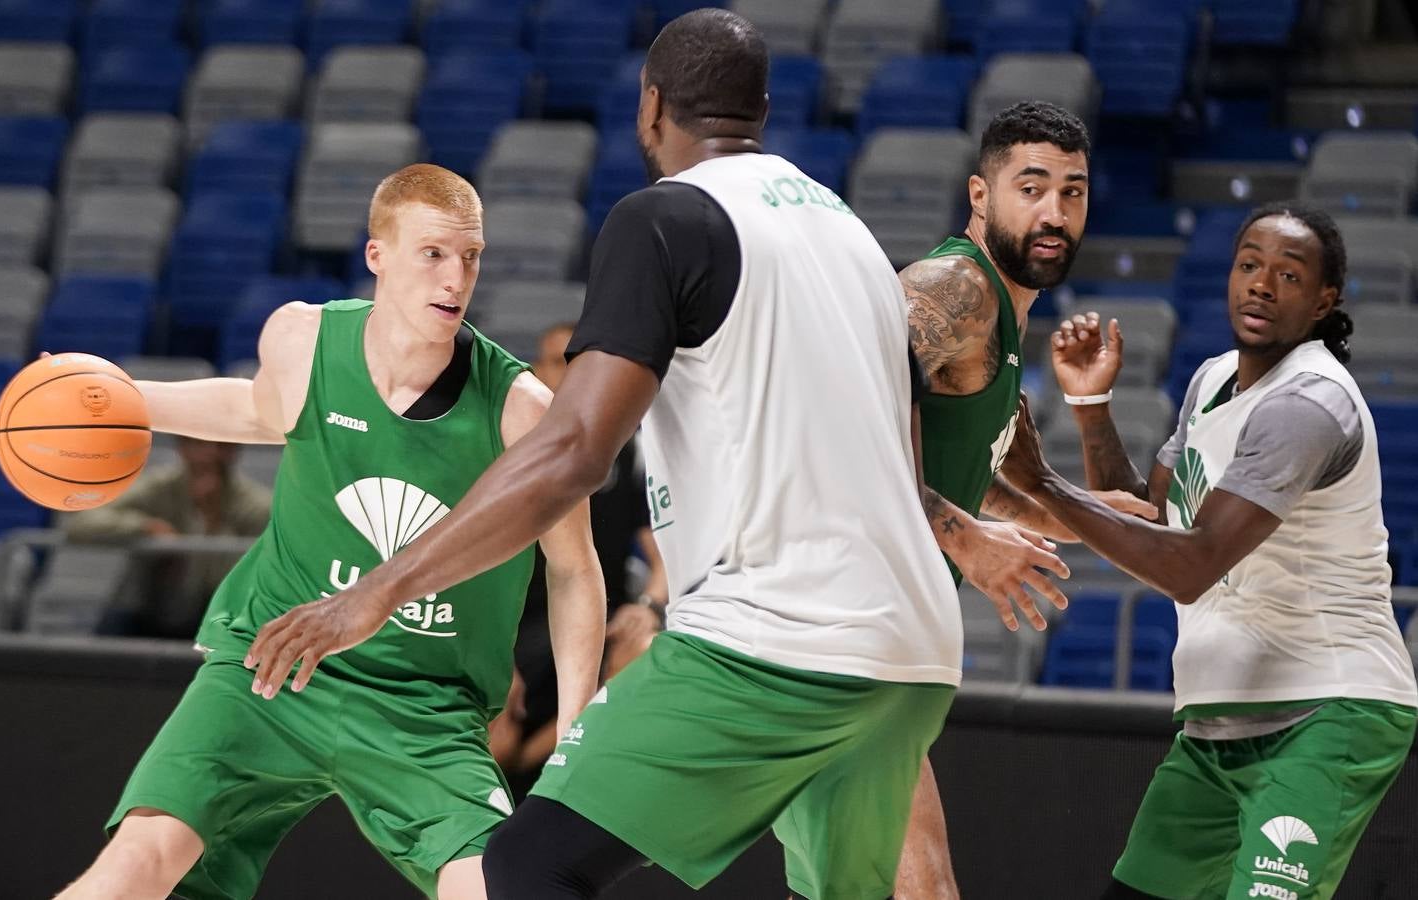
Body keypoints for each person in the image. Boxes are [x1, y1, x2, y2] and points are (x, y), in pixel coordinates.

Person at [243, 10, 1066, 899]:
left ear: (651, 107)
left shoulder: (666, 218)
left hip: (771, 640)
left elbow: (573, 453)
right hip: (909, 653)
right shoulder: (850, 236)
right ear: (762, 107)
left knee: (528, 864)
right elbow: (897, 453)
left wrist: (377, 592)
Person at [57, 163, 606, 900]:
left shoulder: (522, 410)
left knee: (495, 890)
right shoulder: (303, 338)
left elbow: (573, 569)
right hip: (269, 670)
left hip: (423, 704)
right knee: (136, 861)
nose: (456, 279)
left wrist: (574, 732)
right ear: (377, 255)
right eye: (433, 254)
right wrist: (120, 399)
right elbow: (259, 411)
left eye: (470, 257)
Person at [998, 201, 1418, 900]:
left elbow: (1188, 567)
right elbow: (1157, 523)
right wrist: (1093, 408)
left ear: (1324, 301)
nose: (1260, 284)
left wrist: (1040, 480)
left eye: (1288, 275)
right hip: (1222, 719)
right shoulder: (1213, 379)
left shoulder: (1308, 406)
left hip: (1327, 708)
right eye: (1249, 265)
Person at [891, 99, 1158, 900]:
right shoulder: (954, 290)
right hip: (830, 622)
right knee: (923, 886)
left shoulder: (1004, 324)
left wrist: (1158, 532)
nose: (1054, 212)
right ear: (980, 195)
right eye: (1031, 187)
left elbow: (1029, 492)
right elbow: (833, 424)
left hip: (882, 629)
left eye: (1072, 192)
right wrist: (961, 534)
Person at [494, 323, 667, 792]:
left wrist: (647, 608)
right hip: (513, 627)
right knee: (495, 742)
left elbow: (663, 556)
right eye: (556, 360)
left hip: (598, 620)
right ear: (532, 371)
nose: (569, 372)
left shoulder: (622, 447)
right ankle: (526, 773)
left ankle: (555, 766)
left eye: (579, 361)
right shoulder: (499, 446)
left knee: (646, 652)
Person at [66, 436, 272, 639]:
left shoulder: (254, 504)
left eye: (221, 445)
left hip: (212, 614)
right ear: (182, 447)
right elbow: (83, 522)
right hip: (144, 608)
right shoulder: (160, 486)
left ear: (233, 451)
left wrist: (212, 525)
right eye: (199, 444)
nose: (209, 454)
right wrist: (146, 527)